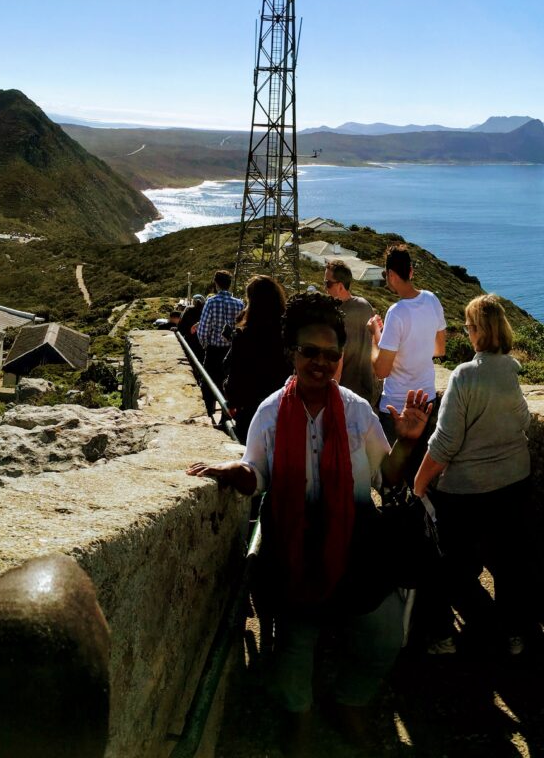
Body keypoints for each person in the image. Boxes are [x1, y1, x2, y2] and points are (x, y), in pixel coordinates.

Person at [186, 293, 432, 755]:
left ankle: (349, 701)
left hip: (355, 542)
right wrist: (232, 472)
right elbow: (257, 473)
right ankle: (297, 715)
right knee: (296, 647)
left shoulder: (357, 410)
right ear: (291, 353)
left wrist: (408, 442)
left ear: (342, 359)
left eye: (331, 355)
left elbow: (387, 476)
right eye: (310, 352)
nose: (321, 362)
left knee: (382, 639)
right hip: (294, 543)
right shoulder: (270, 413)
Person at [411, 295, 536, 656]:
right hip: (514, 481)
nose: (466, 332)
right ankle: (514, 634)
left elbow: (445, 443)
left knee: (450, 561)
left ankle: (450, 635)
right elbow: (524, 420)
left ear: (479, 331)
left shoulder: (464, 375)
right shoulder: (510, 370)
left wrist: (419, 484)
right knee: (510, 563)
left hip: (469, 491)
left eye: (468, 326)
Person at [369, 245, 446, 503]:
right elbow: (439, 348)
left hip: (398, 407)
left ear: (391, 274)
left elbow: (381, 370)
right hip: (427, 400)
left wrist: (374, 338)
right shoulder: (432, 300)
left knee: (393, 478)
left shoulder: (396, 312)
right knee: (418, 476)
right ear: (411, 271)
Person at [221, 275, 290, 441]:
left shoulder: (244, 336)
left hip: (252, 412)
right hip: (284, 410)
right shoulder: (288, 333)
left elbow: (234, 378)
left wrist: (231, 401)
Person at [324, 260, 379, 406]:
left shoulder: (336, 316)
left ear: (340, 286)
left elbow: (336, 362)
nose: (325, 288)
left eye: (328, 284)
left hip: (343, 394)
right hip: (365, 391)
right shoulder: (365, 306)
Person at [195, 270, 243, 403]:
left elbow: (203, 330)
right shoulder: (239, 303)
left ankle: (209, 413)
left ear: (216, 283)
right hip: (231, 352)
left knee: (209, 384)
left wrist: (206, 345)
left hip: (213, 351)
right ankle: (225, 419)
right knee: (228, 385)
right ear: (229, 284)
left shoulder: (211, 302)